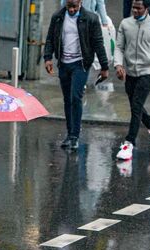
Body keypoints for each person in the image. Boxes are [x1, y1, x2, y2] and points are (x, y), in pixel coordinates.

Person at [44, 0, 110, 150]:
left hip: (80, 64)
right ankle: (69, 134)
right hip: (64, 64)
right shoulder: (58, 17)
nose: (72, 10)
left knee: (75, 96)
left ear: (81, 2)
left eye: (74, 6)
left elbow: (98, 43)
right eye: (69, 7)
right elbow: (50, 39)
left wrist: (104, 67)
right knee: (67, 99)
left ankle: (75, 136)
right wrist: (48, 58)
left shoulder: (91, 18)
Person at [114, 0, 150, 161]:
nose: (135, 11)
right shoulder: (125, 24)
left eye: (139, 8)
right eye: (134, 7)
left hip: (148, 72)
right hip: (130, 72)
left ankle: (129, 143)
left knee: (136, 106)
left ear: (147, 8)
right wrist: (118, 65)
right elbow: (119, 47)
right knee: (135, 106)